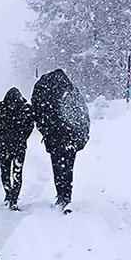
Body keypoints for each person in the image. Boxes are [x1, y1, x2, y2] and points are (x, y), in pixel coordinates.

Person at [31, 69, 90, 214]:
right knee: (68, 167)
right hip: (71, 138)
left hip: (55, 138)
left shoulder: (45, 92)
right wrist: (82, 136)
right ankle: (66, 195)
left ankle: (61, 194)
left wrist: (46, 131)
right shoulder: (70, 91)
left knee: (58, 167)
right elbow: (82, 114)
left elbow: (38, 114)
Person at [0, 87, 35, 211]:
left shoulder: (0, 107)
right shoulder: (25, 109)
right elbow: (30, 125)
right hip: (18, 146)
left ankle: (10, 195)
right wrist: (22, 137)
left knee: (6, 172)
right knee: (17, 172)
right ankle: (13, 197)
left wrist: (1, 138)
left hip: (6, 146)